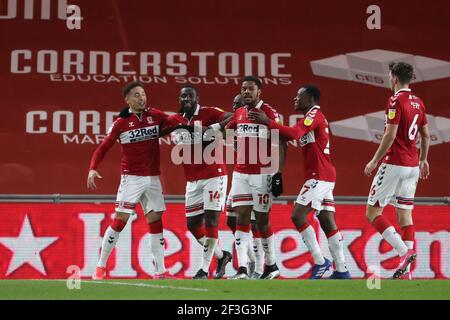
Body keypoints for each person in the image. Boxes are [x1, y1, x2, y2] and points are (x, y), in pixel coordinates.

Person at [249, 84, 351, 279]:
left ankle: (320, 262)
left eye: (299, 95)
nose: (295, 99)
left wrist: (268, 122)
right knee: (327, 222)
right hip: (324, 176)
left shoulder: (314, 115)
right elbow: (292, 133)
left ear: (311, 98)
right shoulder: (311, 117)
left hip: (319, 176)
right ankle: (342, 269)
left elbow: (294, 133)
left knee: (298, 215)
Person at [87, 81, 177, 280]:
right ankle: (100, 267)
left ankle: (160, 271)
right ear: (127, 99)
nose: (142, 97)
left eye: (143, 94)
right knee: (120, 220)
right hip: (132, 178)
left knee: (155, 221)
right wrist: (93, 169)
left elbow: (173, 121)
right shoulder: (121, 123)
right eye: (136, 95)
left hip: (153, 179)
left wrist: (191, 120)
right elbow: (103, 147)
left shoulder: (154, 115)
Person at [364, 62, 430, 279]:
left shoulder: (395, 101)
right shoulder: (419, 102)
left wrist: (374, 160)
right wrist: (424, 159)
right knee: (405, 216)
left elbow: (390, 135)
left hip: (394, 163)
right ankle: (406, 273)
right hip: (412, 166)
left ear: (393, 77)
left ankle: (404, 252)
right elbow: (426, 136)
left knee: (373, 212)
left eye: (389, 75)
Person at [165, 85, 233, 279]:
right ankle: (222, 256)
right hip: (192, 179)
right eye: (183, 95)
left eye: (190, 96)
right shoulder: (176, 120)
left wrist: (215, 128)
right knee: (193, 225)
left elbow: (233, 116)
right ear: (179, 99)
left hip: (214, 175)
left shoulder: (208, 112)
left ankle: (203, 269)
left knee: (211, 220)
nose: (186, 98)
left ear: (197, 99)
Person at [225, 76, 287, 280]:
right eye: (243, 89)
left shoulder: (269, 113)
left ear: (259, 92)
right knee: (241, 218)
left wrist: (277, 173)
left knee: (262, 221)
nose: (246, 92)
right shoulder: (240, 112)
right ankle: (243, 268)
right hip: (241, 174)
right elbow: (229, 129)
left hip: (262, 175)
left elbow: (282, 141)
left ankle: (272, 264)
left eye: (250, 89)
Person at [225, 94, 265, 279]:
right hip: (240, 175)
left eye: (237, 104)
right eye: (233, 104)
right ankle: (248, 259)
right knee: (231, 218)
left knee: (252, 221)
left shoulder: (255, 122)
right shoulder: (237, 122)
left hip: (256, 178)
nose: (234, 107)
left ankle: (258, 266)